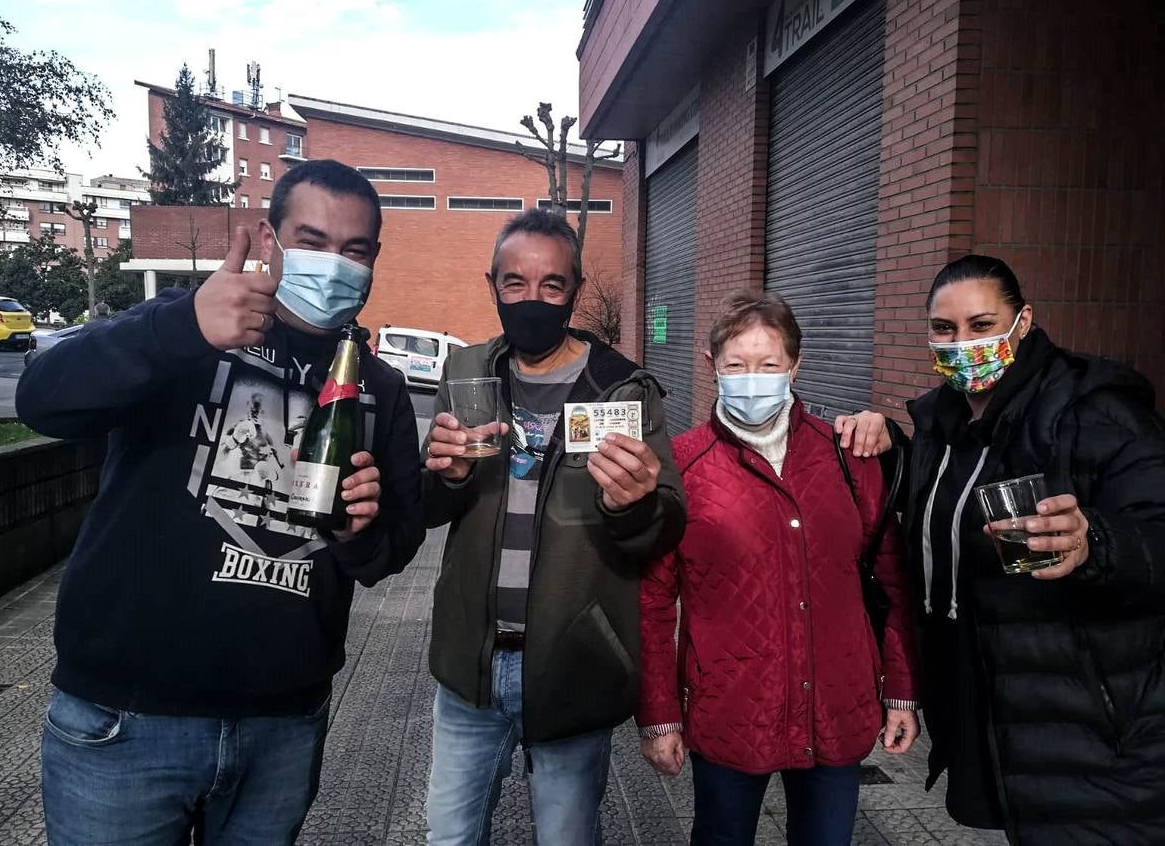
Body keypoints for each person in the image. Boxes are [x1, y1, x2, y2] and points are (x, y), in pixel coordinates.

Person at [17, 160, 425, 844]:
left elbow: (390, 550)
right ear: (269, 237)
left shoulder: (378, 387)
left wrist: (360, 528)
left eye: (354, 250)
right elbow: (42, 400)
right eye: (313, 240)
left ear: (374, 259)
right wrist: (180, 331)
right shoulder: (189, 324)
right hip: (127, 720)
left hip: (282, 728)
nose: (333, 264)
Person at [836, 255, 1165, 844]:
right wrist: (891, 449)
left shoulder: (1094, 409)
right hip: (992, 704)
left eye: (982, 325)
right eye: (944, 329)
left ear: (1024, 321)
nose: (962, 344)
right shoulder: (940, 422)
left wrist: (1096, 544)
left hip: (1092, 725)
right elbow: (947, 510)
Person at [422, 207, 686, 845]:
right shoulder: (466, 373)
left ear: (573, 293)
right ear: (492, 286)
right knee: (448, 837)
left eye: (551, 286)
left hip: (572, 663)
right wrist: (445, 477)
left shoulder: (620, 388)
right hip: (471, 662)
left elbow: (665, 525)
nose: (531, 300)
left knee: (567, 838)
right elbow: (430, 504)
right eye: (515, 284)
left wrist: (635, 503)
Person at [635, 290, 919, 846]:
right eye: (737, 364)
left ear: (796, 365)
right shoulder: (682, 465)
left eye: (769, 364)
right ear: (711, 365)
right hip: (730, 709)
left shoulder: (847, 457)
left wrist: (902, 692)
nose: (753, 378)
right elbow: (650, 604)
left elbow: (893, 583)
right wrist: (659, 716)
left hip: (836, 706)